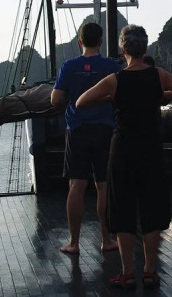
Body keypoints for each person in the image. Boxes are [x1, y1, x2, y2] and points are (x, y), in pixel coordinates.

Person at [76, 24, 172, 289]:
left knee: (123, 210)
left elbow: (81, 102)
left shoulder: (115, 80)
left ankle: (127, 273)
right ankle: (150, 271)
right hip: (151, 150)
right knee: (152, 209)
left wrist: (110, 99)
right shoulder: (159, 75)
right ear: (145, 47)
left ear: (123, 48)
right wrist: (159, 96)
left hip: (123, 151)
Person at [50, 22, 120, 254]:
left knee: (76, 185)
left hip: (77, 129)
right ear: (100, 41)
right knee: (103, 185)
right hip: (104, 130)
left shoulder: (69, 66)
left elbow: (55, 100)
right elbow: (119, 95)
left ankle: (74, 243)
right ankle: (106, 240)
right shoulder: (110, 66)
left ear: (80, 42)